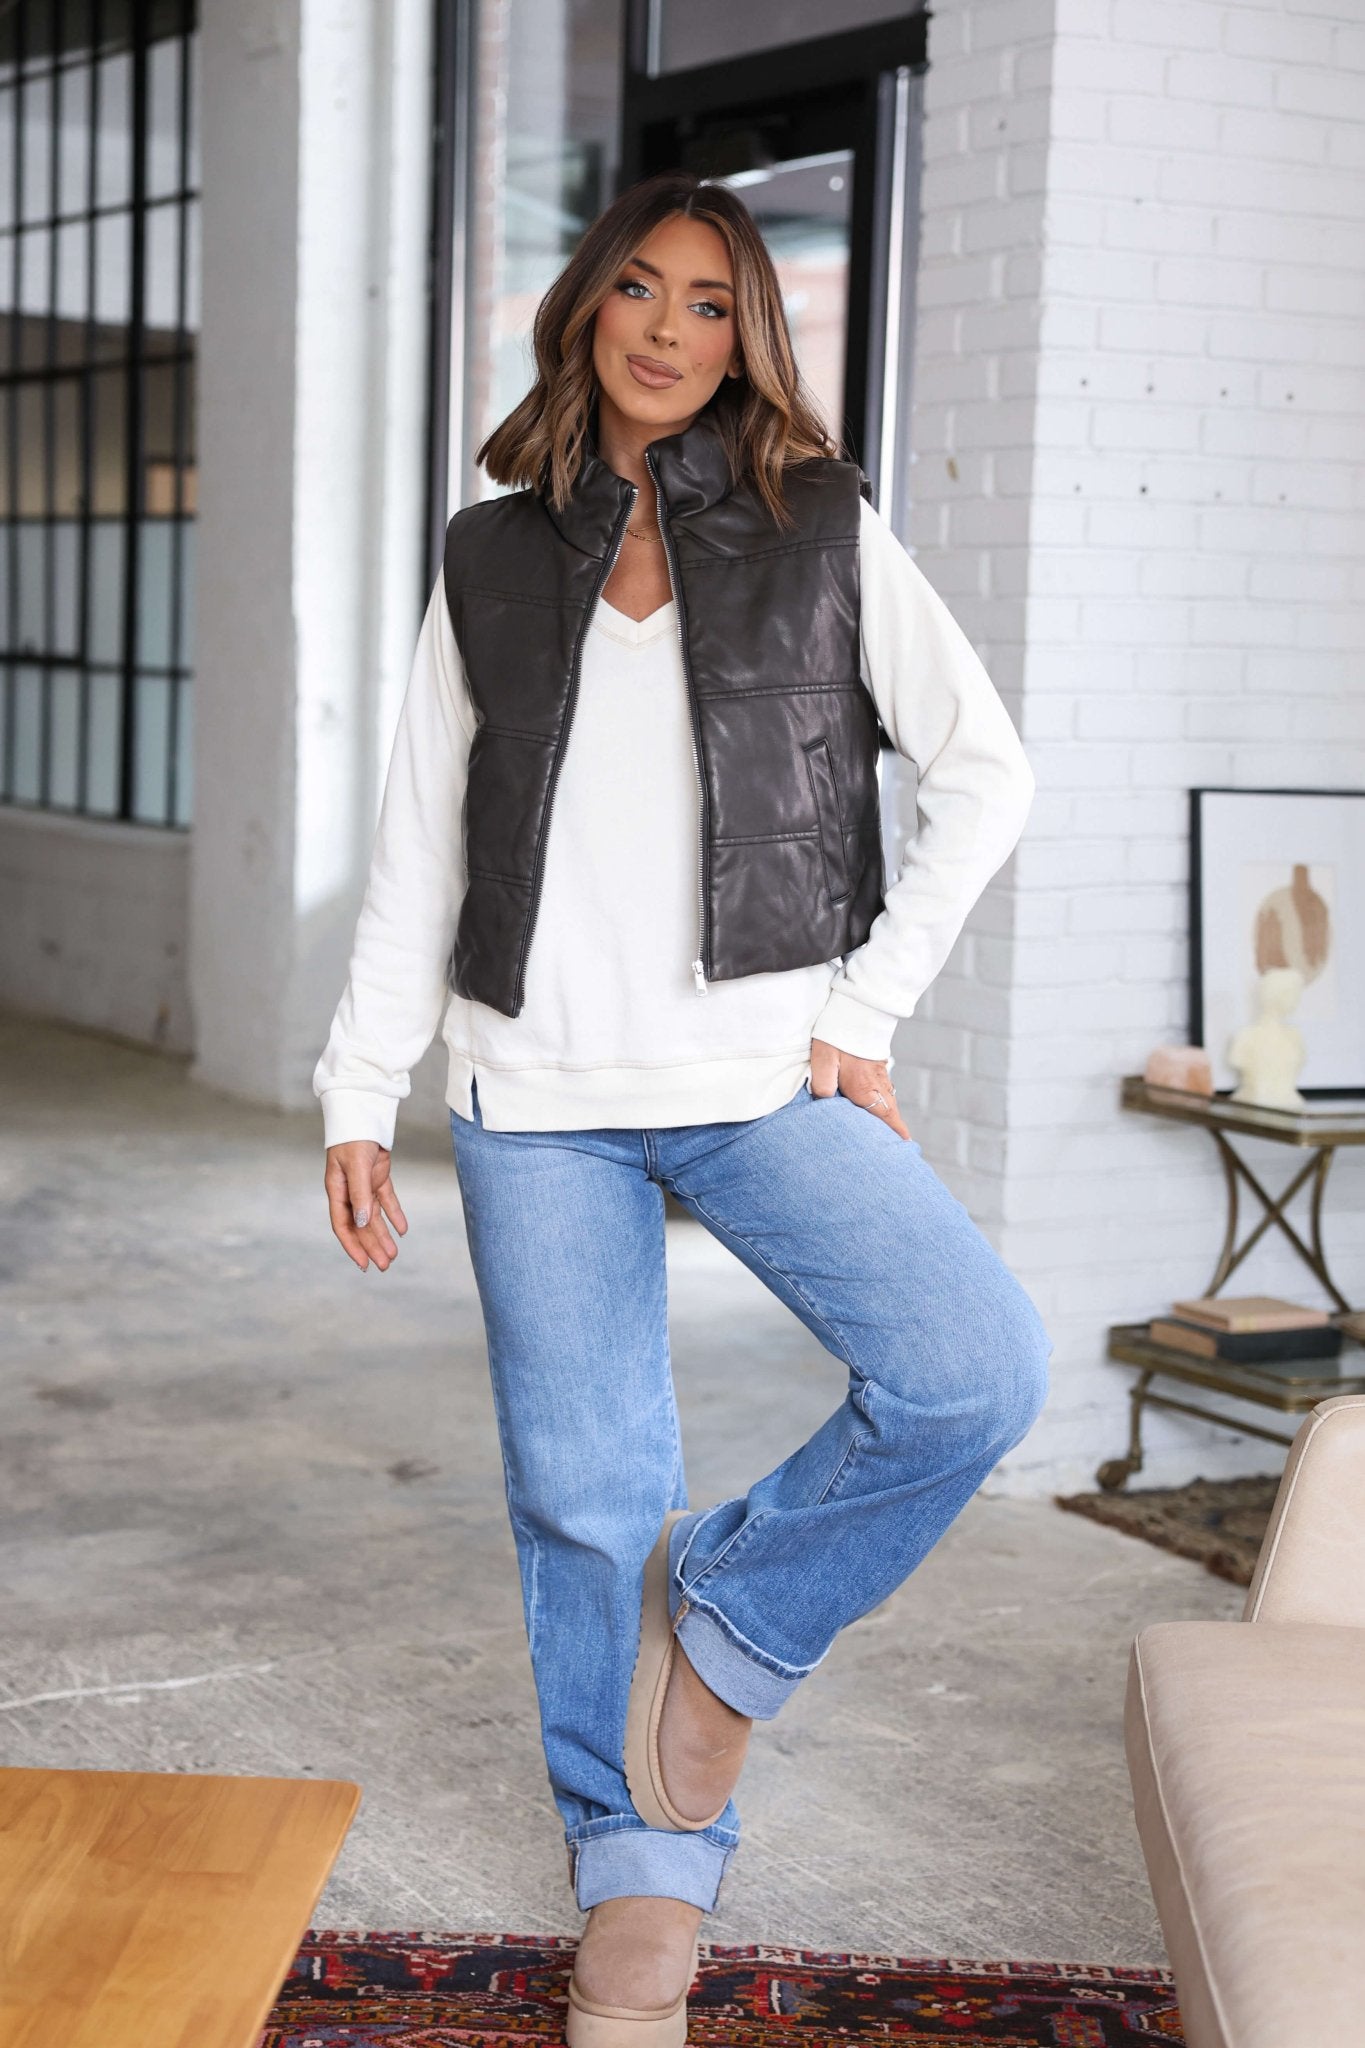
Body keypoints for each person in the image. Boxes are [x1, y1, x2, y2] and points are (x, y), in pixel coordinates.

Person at [314, 168, 1052, 2045]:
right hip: (532, 1090)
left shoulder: (818, 524)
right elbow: (416, 843)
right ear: (584, 306)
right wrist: (354, 1088)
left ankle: (720, 1638)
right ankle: (638, 1871)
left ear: (751, 336)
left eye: (710, 303)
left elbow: (987, 773)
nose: (665, 329)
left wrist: (865, 1009)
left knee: (968, 1371)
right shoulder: (487, 553)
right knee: (579, 1499)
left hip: (760, 1071)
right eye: (637, 289)